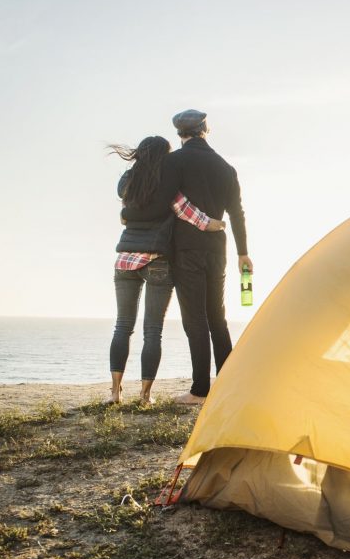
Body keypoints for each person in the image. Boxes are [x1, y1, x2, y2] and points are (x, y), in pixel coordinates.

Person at [107, 135, 225, 404]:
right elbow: (191, 215)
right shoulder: (165, 184)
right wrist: (218, 224)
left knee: (122, 326)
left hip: (125, 260)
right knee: (152, 330)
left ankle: (114, 393)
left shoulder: (128, 183)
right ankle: (145, 396)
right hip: (157, 260)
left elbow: (124, 213)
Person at [162, 109, 252, 405]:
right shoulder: (226, 168)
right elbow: (237, 213)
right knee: (217, 316)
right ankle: (228, 385)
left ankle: (200, 390)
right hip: (218, 248)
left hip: (186, 248)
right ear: (206, 130)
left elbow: (166, 201)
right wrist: (243, 253)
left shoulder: (173, 162)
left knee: (195, 319)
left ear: (180, 134)